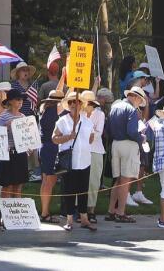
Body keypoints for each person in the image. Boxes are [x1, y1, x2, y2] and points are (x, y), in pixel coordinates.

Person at [53, 91, 95, 231]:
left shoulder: (87, 121)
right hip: (69, 161)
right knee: (69, 190)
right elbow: (54, 138)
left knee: (83, 190)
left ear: (80, 104)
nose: (73, 104)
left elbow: (91, 138)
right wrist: (68, 137)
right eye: (70, 102)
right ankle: (69, 219)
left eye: (75, 102)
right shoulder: (63, 120)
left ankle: (84, 218)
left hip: (84, 160)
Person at [106, 86, 144, 222]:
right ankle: (121, 213)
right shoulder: (131, 110)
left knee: (118, 180)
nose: (140, 104)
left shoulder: (115, 107)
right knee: (125, 181)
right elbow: (132, 132)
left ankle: (111, 211)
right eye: (140, 101)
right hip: (128, 144)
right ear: (135, 97)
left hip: (116, 144)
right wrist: (142, 138)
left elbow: (108, 129)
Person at [0, 88, 30, 201]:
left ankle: (17, 214)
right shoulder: (3, 116)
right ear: (10, 101)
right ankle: (3, 214)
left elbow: (27, 137)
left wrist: (29, 146)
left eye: (22, 99)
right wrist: (7, 126)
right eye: (18, 99)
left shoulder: (23, 117)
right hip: (8, 154)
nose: (20, 101)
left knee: (18, 186)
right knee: (7, 186)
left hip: (21, 154)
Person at [38, 89, 65, 222]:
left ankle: (45, 211)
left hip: (43, 147)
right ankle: (44, 213)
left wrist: (62, 77)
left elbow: (58, 92)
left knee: (45, 181)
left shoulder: (44, 108)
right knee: (50, 182)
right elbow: (65, 101)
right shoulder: (56, 108)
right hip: (51, 147)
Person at [82, 90, 107, 221]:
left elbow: (98, 132)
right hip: (81, 150)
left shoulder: (100, 114)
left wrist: (88, 136)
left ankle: (91, 210)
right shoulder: (79, 114)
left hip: (96, 150)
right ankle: (81, 210)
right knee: (81, 181)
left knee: (94, 181)